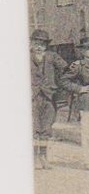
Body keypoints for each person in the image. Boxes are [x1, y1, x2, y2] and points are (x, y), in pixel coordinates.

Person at [30, 29, 68, 170]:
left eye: (42, 44)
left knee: (46, 127)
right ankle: (34, 157)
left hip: (49, 96)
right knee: (34, 127)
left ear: (46, 45)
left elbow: (66, 69)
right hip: (32, 97)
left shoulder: (52, 56)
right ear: (32, 44)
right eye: (36, 43)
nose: (39, 46)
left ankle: (44, 157)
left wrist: (59, 84)